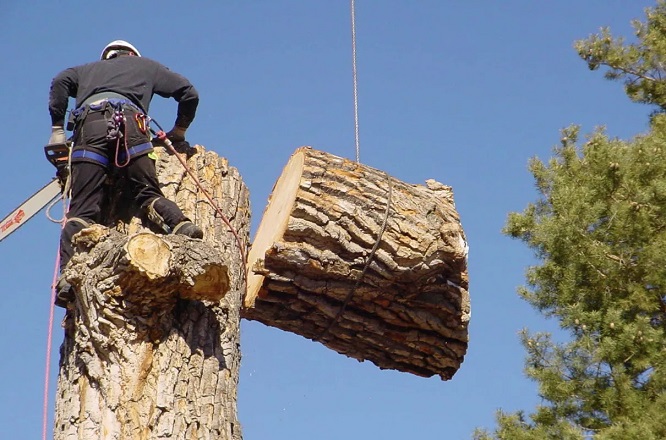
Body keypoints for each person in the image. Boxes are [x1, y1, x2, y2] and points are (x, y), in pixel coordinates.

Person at [48, 40, 203, 307]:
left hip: (90, 129)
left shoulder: (85, 70)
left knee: (82, 211)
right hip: (132, 127)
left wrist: (57, 129)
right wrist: (179, 131)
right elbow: (189, 93)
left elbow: (60, 81)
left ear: (107, 57)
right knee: (148, 194)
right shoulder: (147, 67)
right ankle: (181, 225)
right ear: (132, 55)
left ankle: (68, 278)